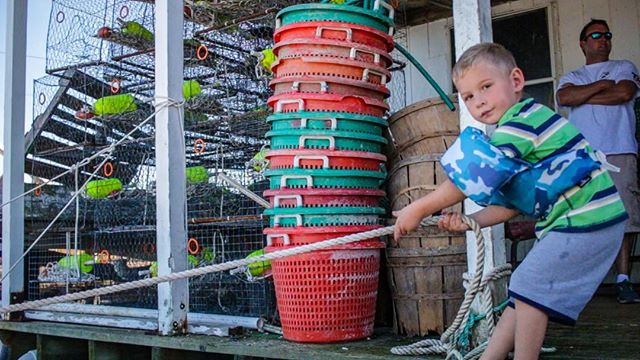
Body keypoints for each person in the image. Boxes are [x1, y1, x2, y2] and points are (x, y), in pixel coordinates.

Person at [393, 43, 628, 360]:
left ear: (516, 81)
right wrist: (470, 221)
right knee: (521, 295)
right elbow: (513, 204)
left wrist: (418, 207)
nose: (479, 102)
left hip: (586, 218)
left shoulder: (520, 123)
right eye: (469, 97)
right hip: (589, 220)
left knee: (528, 286)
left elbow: (472, 175)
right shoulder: (515, 136)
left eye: (486, 87)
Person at [556, 19, 640, 304]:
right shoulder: (572, 75)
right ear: (583, 43)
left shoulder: (623, 67)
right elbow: (566, 96)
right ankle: (585, 283)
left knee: (624, 217)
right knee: (585, 217)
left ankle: (623, 280)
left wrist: (588, 94)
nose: (603, 39)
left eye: (607, 35)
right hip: (584, 157)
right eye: (595, 35)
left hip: (620, 149)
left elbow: (624, 93)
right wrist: (603, 86)